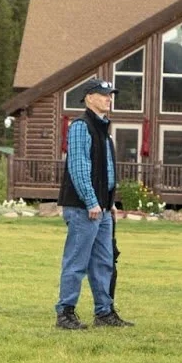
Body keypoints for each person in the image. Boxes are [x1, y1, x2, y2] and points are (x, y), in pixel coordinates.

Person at [55, 79, 133, 329]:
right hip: (83, 208)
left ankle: (104, 312)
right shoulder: (80, 126)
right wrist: (91, 201)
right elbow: (78, 168)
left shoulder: (102, 130)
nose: (109, 98)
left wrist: (109, 202)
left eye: (110, 95)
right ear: (89, 98)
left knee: (103, 262)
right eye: (103, 95)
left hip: (101, 208)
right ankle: (65, 313)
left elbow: (106, 169)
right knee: (76, 261)